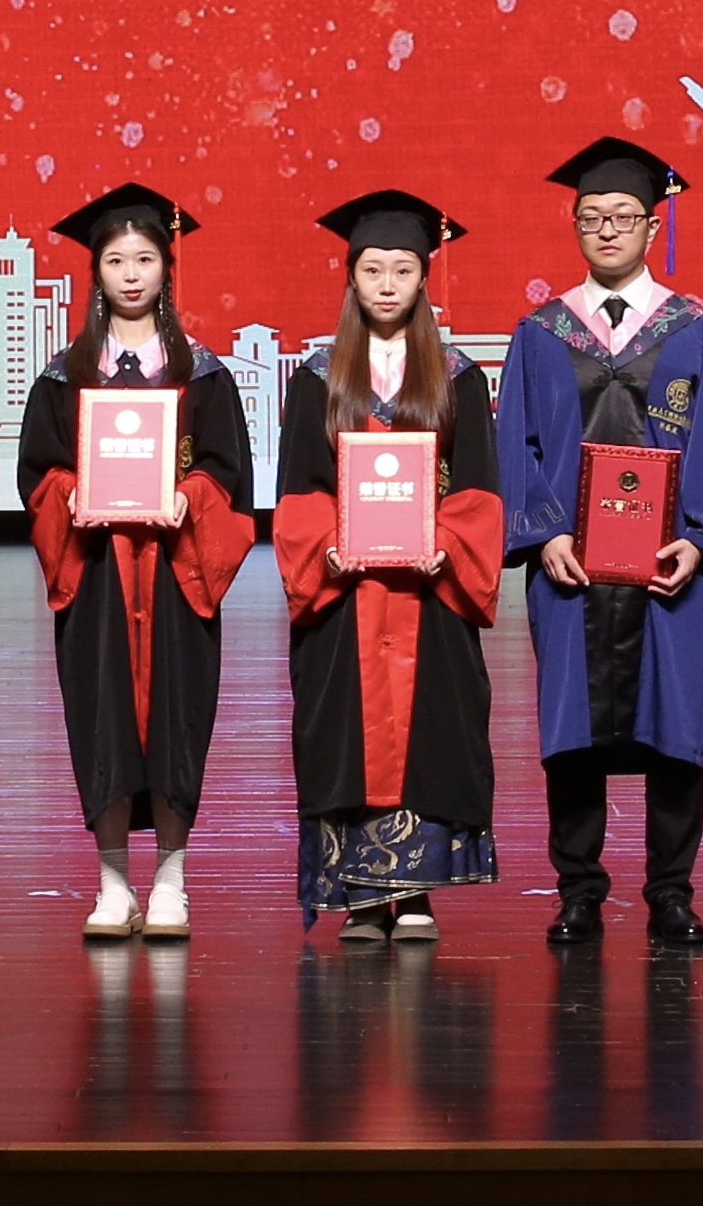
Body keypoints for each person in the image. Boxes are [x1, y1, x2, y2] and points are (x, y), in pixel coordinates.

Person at [500, 137, 703, 948]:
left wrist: (699, 541)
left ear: (652, 225)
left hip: (670, 564)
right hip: (569, 565)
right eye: (591, 217)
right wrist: (543, 534)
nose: (606, 229)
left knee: (675, 729)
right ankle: (579, 891)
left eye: (623, 216)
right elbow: (517, 444)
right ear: (574, 224)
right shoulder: (540, 332)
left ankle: (670, 892)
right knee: (571, 733)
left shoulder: (694, 327)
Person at [17, 183, 256, 940]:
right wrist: (72, 496)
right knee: (103, 716)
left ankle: (173, 880)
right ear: (96, 269)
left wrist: (190, 496)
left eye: (144, 259)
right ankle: (113, 882)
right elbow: (38, 475)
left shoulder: (203, 374)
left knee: (178, 719)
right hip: (96, 574)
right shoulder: (64, 375)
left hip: (176, 573)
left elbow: (229, 474)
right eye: (116, 260)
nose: (130, 274)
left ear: (165, 268)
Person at [276, 191, 507, 943]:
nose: (385, 285)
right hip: (344, 596)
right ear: (351, 276)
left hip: (428, 592)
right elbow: (299, 488)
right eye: (372, 269)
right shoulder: (317, 378)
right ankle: (360, 896)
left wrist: (446, 544)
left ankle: (414, 895)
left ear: (423, 278)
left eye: (402, 270)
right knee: (342, 730)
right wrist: (328, 548)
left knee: (431, 733)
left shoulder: (457, 376)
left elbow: (477, 486)